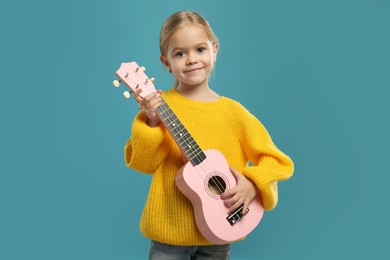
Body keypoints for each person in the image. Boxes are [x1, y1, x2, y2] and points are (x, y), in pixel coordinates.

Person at [124, 11, 294, 260]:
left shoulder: (233, 113)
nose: (191, 59)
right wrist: (150, 120)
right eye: (180, 53)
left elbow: (278, 161)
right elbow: (143, 163)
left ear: (214, 49)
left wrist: (251, 183)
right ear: (166, 62)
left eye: (200, 49)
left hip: (221, 230)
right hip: (169, 236)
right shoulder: (159, 108)